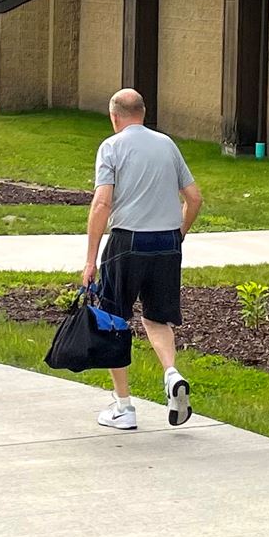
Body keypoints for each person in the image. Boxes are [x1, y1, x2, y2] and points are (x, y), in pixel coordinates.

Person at [81, 86, 203, 431]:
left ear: (114, 117)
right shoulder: (167, 145)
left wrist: (90, 261)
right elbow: (194, 198)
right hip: (167, 242)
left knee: (114, 320)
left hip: (128, 242)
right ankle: (172, 374)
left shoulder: (111, 147)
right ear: (144, 114)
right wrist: (178, 234)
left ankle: (123, 407)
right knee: (157, 319)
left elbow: (102, 203)